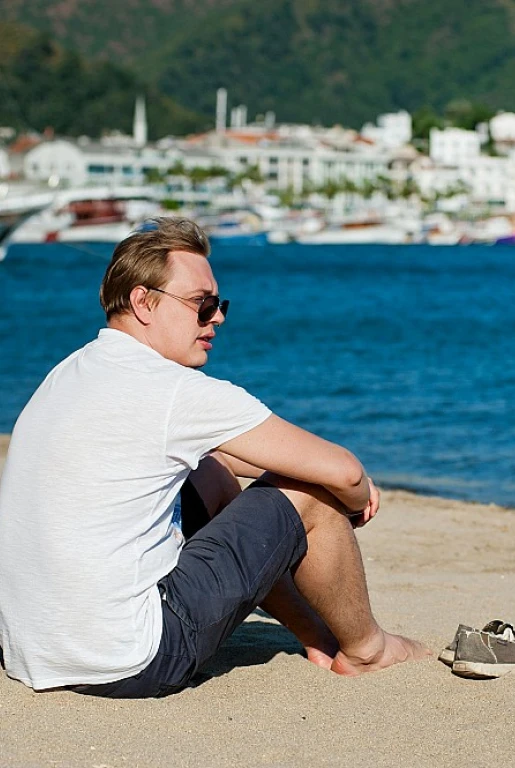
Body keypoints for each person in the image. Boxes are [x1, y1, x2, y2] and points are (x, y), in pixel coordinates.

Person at [0, 217, 429, 698]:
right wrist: (350, 496)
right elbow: (344, 472)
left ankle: (315, 637)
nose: (217, 317)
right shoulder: (172, 391)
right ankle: (369, 650)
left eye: (218, 305)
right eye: (202, 305)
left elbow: (231, 458)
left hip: (35, 651)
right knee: (310, 492)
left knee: (209, 471)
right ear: (144, 302)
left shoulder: (69, 374)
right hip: (132, 660)